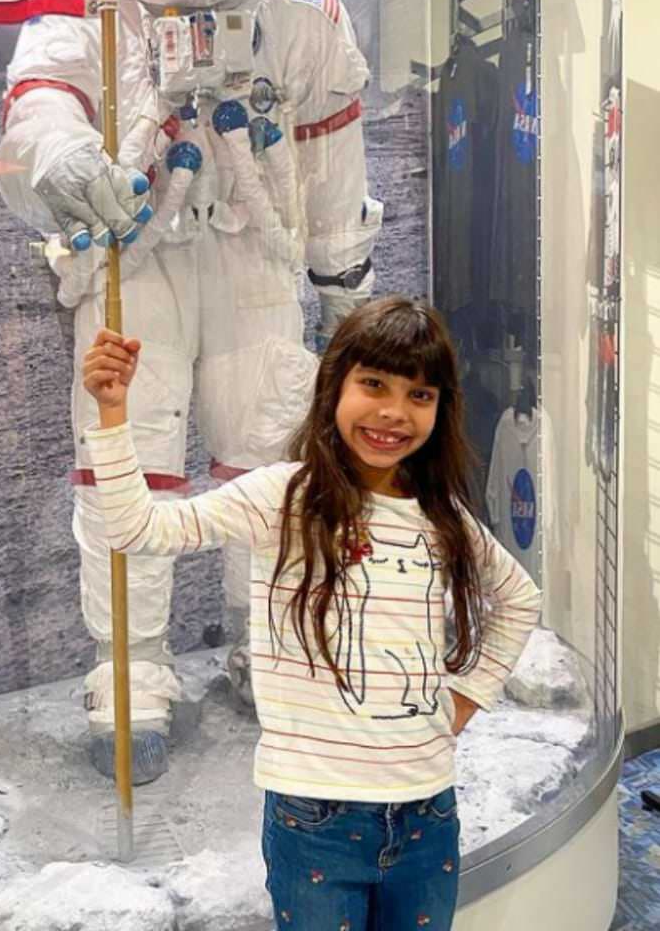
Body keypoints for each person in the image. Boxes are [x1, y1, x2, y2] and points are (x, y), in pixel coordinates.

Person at [0, 0, 381, 783]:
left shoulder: (305, 24)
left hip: (255, 261)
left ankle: (270, 648)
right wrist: (61, 157)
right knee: (128, 462)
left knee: (267, 463)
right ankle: (130, 667)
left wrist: (344, 286)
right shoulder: (87, 13)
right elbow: (37, 110)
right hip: (136, 266)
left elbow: (335, 167)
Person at [80, 297, 542, 930]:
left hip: (427, 813)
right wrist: (112, 414)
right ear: (335, 387)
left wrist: (466, 697)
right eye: (374, 384)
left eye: (420, 395)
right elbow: (138, 530)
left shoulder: (442, 517)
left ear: (441, 408)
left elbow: (519, 598)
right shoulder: (284, 497)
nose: (394, 411)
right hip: (315, 820)